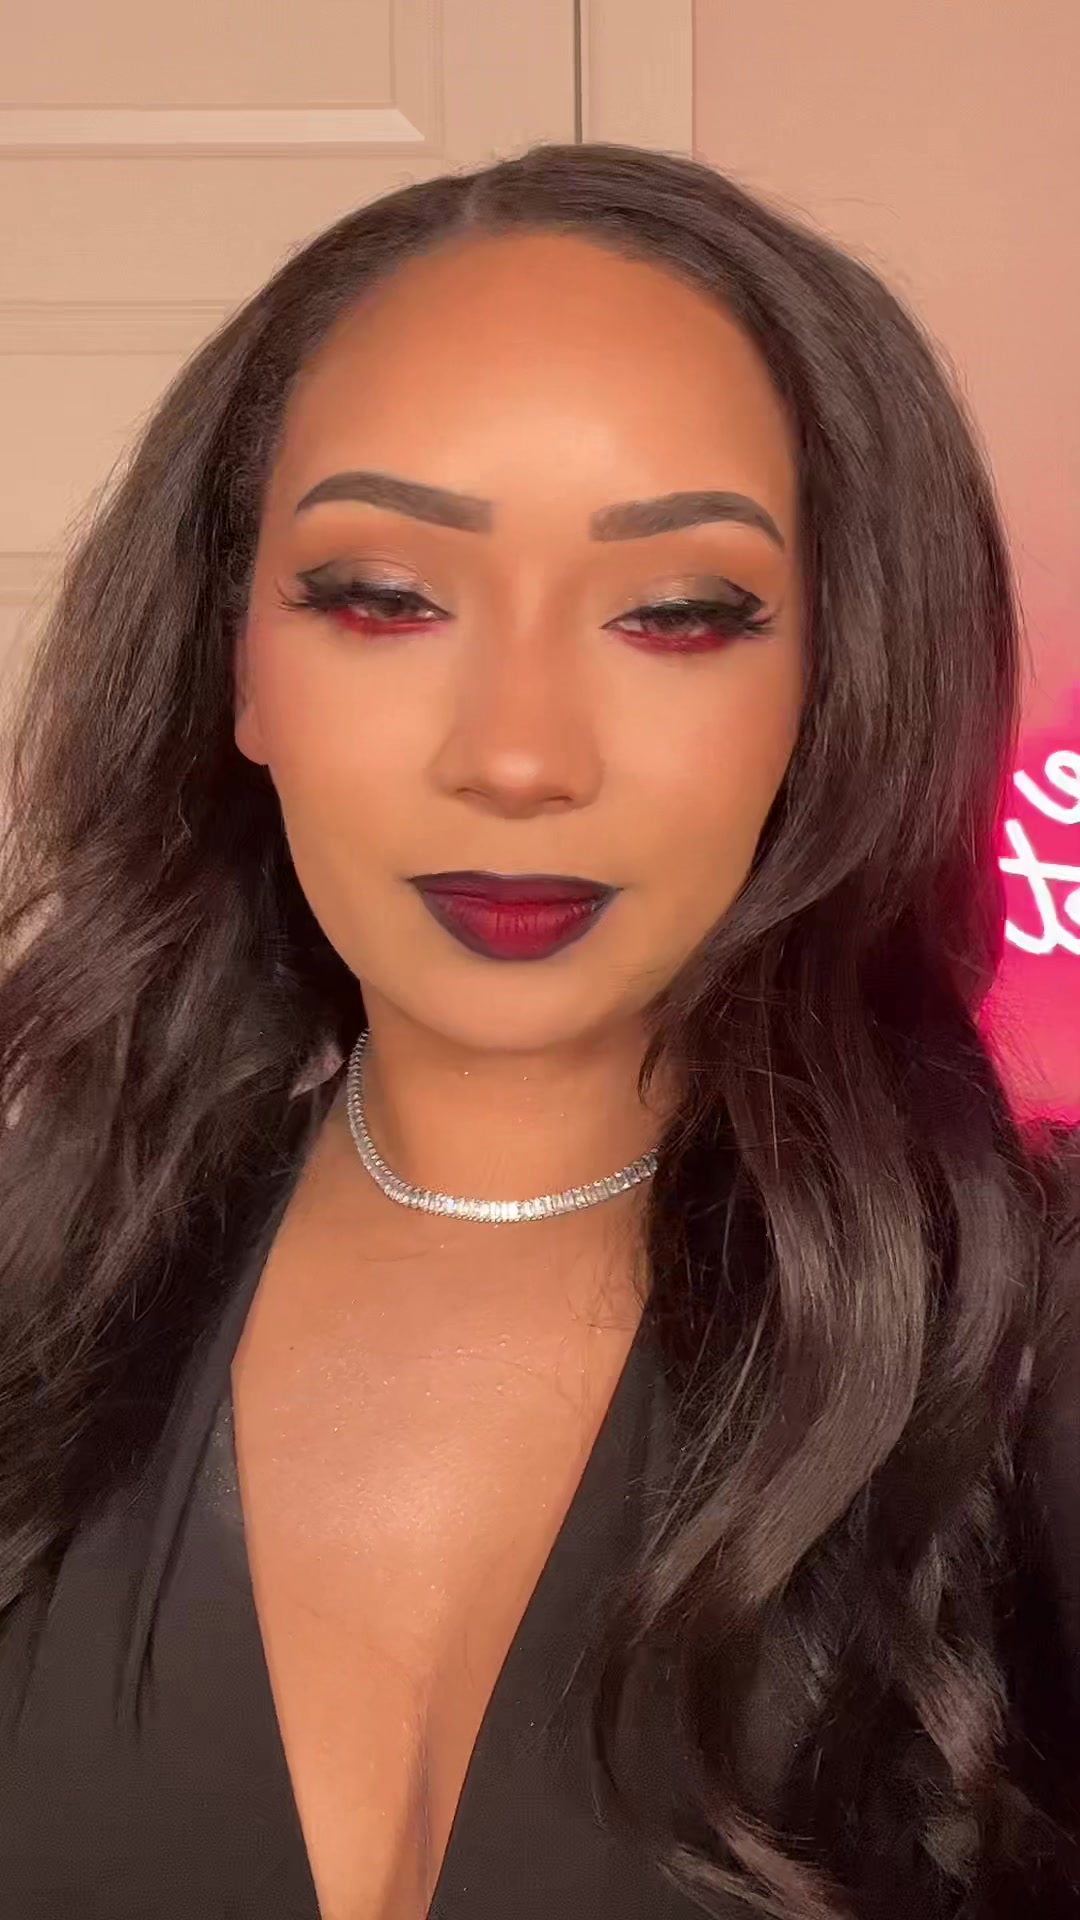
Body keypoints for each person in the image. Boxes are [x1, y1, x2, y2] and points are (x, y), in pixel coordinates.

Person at [0, 141, 1076, 1920]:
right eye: (382, 596)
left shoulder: (1021, 1343)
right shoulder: (48, 1283)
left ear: (829, 684)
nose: (515, 756)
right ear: (237, 663)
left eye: (678, 613)